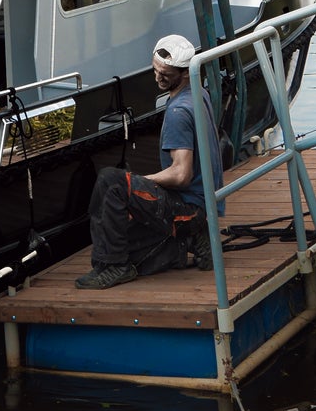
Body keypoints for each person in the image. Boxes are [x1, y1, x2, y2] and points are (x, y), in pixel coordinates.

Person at [76, 33, 224, 289]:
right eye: (155, 71)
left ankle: (114, 267)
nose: (157, 78)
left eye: (165, 75)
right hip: (203, 205)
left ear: (185, 72)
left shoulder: (178, 112)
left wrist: (137, 182)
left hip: (189, 208)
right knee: (127, 246)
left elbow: (181, 175)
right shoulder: (199, 92)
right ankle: (188, 241)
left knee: (111, 182)